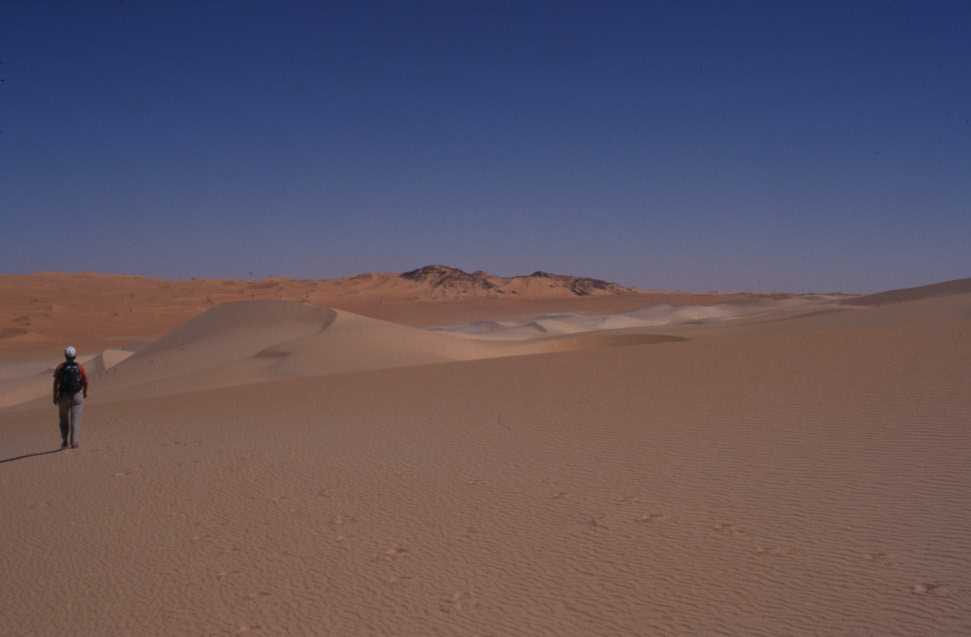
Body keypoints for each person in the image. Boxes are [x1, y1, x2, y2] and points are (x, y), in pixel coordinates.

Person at [52, 346, 87, 449]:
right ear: (75, 356)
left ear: (65, 356)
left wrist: (54, 396)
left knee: (63, 420)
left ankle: (64, 442)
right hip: (77, 396)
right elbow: (85, 381)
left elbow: (55, 383)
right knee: (75, 420)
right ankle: (74, 442)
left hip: (63, 397)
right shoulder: (79, 367)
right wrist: (84, 392)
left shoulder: (60, 367)